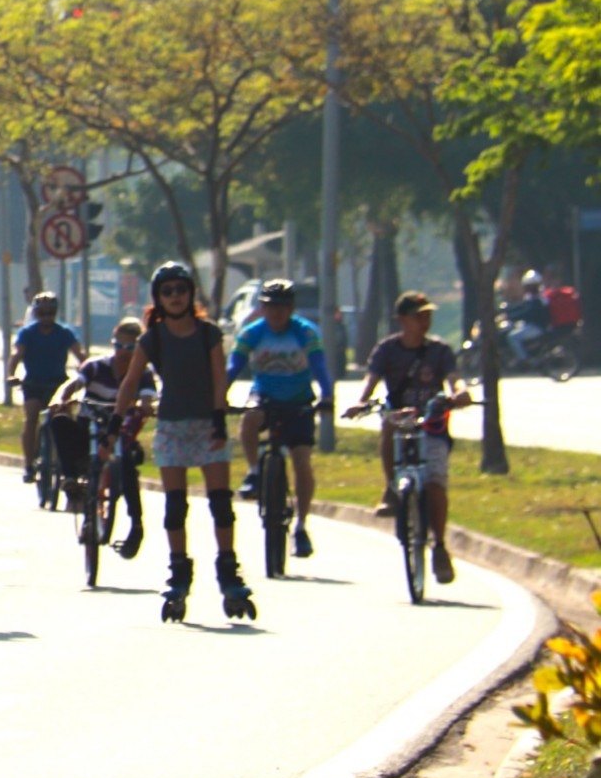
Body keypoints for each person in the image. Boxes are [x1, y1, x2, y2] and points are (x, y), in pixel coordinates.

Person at [113, 261, 254, 621]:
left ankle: (228, 572)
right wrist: (117, 417)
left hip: (208, 424)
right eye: (167, 291)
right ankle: (179, 573)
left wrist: (220, 417)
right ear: (158, 298)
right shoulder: (152, 338)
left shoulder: (207, 333)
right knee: (176, 506)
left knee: (221, 503)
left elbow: (219, 377)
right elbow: (130, 382)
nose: (175, 297)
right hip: (173, 426)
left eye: (181, 290)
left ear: (190, 293)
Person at [344, 291, 472, 584]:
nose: (424, 321)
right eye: (418, 316)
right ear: (402, 320)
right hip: (400, 420)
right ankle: (391, 488)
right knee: (389, 424)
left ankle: (439, 545)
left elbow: (454, 378)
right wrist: (362, 401)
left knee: (436, 483)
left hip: (432, 422)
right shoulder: (386, 350)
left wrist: (459, 393)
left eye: (427, 315)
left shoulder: (439, 350)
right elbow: (371, 379)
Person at [226, 279, 334, 559]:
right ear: (262, 307)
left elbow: (320, 366)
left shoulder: (306, 332)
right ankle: (253, 472)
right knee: (250, 418)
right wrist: (219, 396)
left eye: (283, 307)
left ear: (292, 308)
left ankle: (301, 526)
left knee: (301, 460)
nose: (276, 313)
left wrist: (328, 395)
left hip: (298, 399)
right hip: (265, 396)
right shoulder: (251, 333)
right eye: (270, 307)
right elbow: (234, 366)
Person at [46, 317, 157, 559]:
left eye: (130, 348)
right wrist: (60, 399)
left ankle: (136, 526)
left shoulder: (143, 373)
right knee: (60, 422)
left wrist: (145, 405)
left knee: (128, 469)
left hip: (121, 434)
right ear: (112, 343)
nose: (123, 353)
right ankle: (71, 478)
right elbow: (73, 384)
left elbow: (148, 398)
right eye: (119, 345)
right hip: (91, 427)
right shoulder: (95, 366)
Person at [8, 291, 87, 485]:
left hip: (58, 384)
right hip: (33, 382)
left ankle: (65, 460)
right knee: (32, 418)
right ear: (35, 314)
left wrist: (86, 368)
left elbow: (80, 354)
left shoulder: (64, 332)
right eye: (41, 313)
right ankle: (28, 465)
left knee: (62, 420)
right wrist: (11, 374)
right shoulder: (28, 333)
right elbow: (17, 354)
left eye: (50, 313)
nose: (46, 318)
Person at [505, 269, 550, 363]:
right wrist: (508, 310)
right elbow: (521, 307)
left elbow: (527, 313)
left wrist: (512, 316)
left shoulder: (538, 300)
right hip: (530, 325)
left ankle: (524, 359)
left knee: (512, 337)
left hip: (537, 327)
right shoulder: (532, 298)